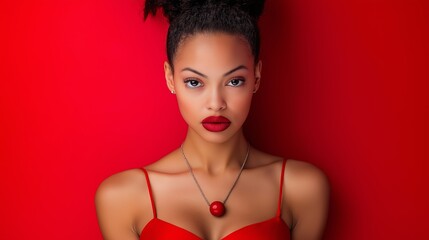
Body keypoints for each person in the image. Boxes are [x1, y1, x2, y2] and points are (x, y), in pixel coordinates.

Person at [95, 0, 329, 239]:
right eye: (195, 82)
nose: (216, 103)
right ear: (170, 78)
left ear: (256, 77)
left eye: (234, 81)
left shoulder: (301, 189)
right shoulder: (122, 196)